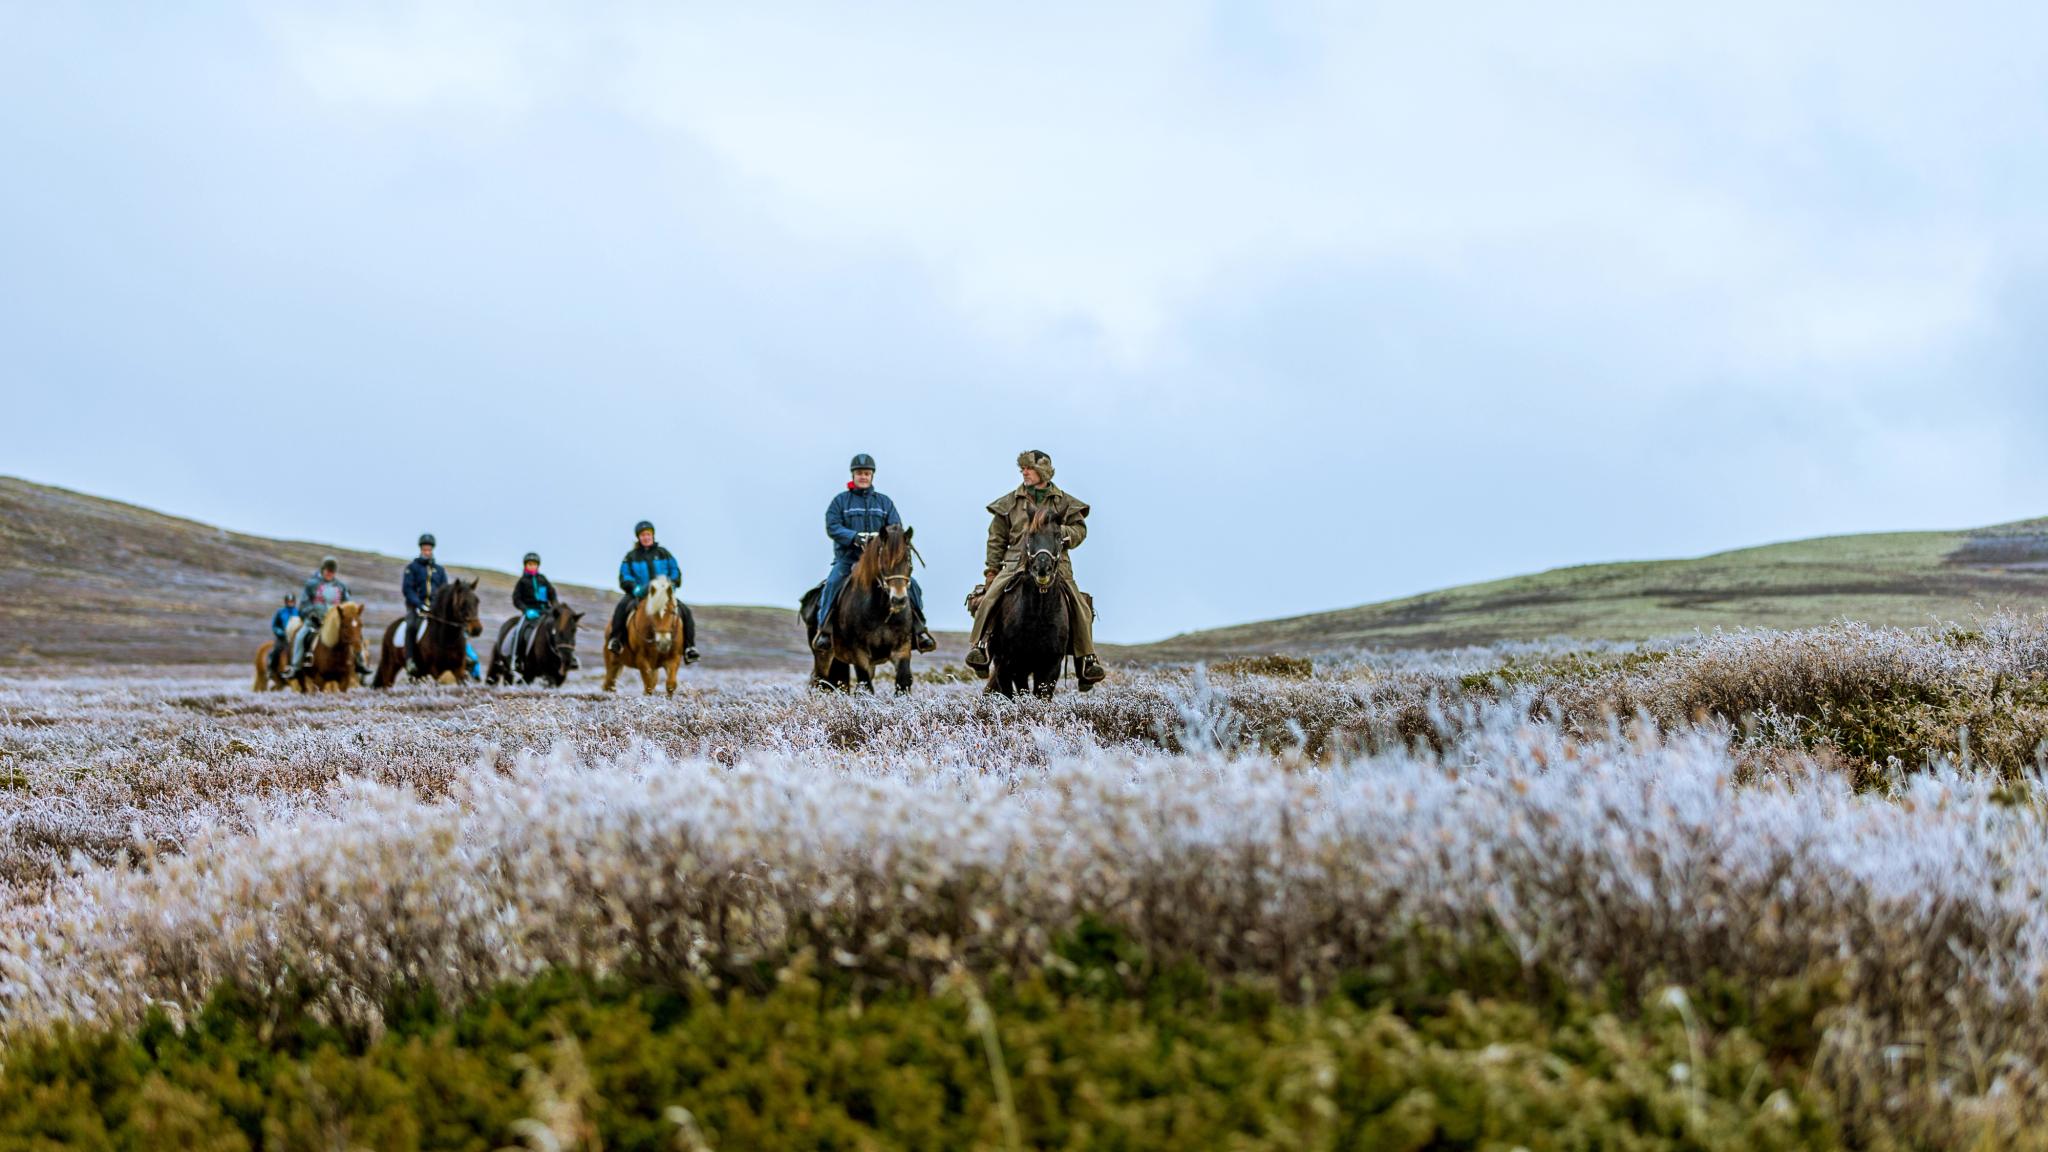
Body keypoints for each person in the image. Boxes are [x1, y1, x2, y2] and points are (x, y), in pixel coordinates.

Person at [964, 450, 1107, 684]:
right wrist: (992, 570)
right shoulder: (1010, 502)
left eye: (1028, 468)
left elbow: (1080, 530)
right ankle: (980, 646)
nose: (1024, 472)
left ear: (1043, 472)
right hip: (1014, 564)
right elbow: (996, 537)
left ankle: (1087, 660)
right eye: (1022, 468)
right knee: (990, 598)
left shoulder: (1064, 501)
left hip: (1055, 563)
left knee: (1081, 607)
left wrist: (1060, 533)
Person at [813, 453, 937, 654]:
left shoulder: (884, 503)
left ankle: (919, 629)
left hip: (881, 563)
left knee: (912, 585)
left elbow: (896, 528)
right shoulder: (840, 502)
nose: (863, 476)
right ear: (853, 475)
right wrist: (855, 537)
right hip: (849, 559)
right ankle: (825, 631)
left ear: (872, 476)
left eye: (867, 473)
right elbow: (833, 526)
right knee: (833, 583)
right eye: (860, 473)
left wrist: (884, 540)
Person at [608, 520, 698, 662]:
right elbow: (625, 576)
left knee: (685, 611)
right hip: (639, 595)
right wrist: (634, 588)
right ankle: (616, 641)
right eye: (643, 535)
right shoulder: (631, 556)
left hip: (664, 595)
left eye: (648, 534)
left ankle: (689, 648)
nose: (646, 537)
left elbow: (675, 571)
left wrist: (671, 584)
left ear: (653, 535)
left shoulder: (664, 553)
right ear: (638, 537)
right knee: (621, 608)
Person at [284, 556, 362, 680]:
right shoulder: (311, 584)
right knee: (300, 636)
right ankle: (296, 667)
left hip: (336, 623)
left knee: (355, 635)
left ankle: (359, 663)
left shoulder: (341, 586)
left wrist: (350, 614)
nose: (330, 574)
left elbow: (347, 603)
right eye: (328, 571)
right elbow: (304, 603)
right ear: (322, 570)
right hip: (315, 620)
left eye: (333, 571)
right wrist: (312, 615)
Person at [401, 533, 447, 674]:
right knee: (411, 626)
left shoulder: (440, 570)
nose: (427, 552)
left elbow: (444, 589)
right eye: (424, 549)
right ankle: (410, 659)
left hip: (434, 609)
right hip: (416, 607)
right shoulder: (412, 568)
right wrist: (419, 604)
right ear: (421, 549)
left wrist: (437, 605)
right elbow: (407, 589)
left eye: (429, 549)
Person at [509, 552, 557, 677]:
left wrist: (555, 606)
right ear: (526, 565)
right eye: (530, 564)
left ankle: (565, 658)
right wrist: (526, 610)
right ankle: (517, 659)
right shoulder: (522, 581)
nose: (532, 566)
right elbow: (516, 599)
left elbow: (552, 594)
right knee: (519, 630)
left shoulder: (543, 579)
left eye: (534, 564)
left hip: (546, 612)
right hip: (530, 613)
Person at [268, 592, 298, 680]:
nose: (290, 603)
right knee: (277, 650)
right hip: (283, 637)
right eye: (288, 601)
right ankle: (271, 670)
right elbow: (274, 625)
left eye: (292, 601)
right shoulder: (280, 612)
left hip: (294, 637)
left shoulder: (298, 612)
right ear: (285, 602)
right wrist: (280, 632)